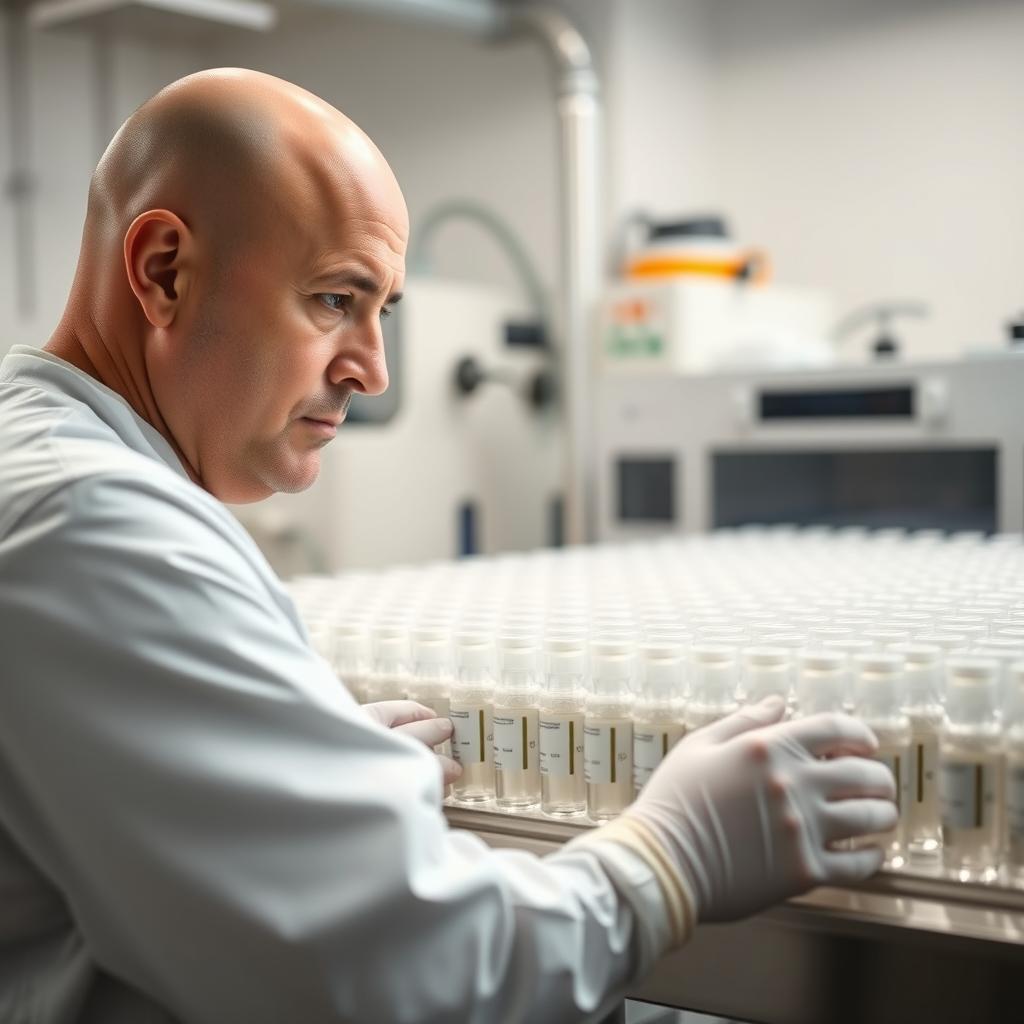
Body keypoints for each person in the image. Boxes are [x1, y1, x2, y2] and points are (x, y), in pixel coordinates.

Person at [0, 69, 898, 1024]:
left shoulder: (43, 460)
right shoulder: (100, 524)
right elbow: (386, 978)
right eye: (334, 299)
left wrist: (290, 787)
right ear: (164, 270)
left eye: (380, 310)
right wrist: (669, 859)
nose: (373, 371)